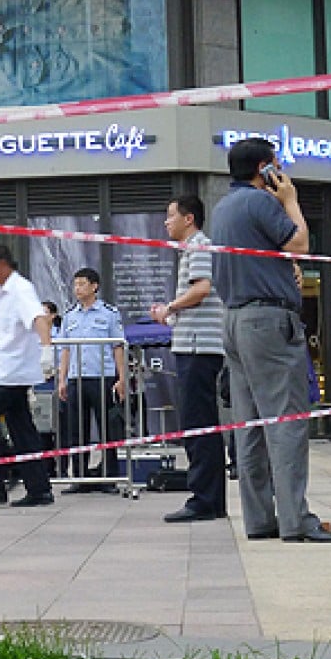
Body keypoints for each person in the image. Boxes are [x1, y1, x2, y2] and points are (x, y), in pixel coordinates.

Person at [212, 137, 331, 543]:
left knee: (250, 424)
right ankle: (295, 520)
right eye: (277, 163)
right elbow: (300, 244)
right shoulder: (262, 203)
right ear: (265, 169)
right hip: (269, 320)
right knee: (286, 422)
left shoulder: (222, 207)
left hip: (234, 320)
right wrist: (290, 199)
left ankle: (260, 519)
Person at [150, 194, 227, 522]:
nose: (166, 222)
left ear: (189, 218)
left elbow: (202, 289)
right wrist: (169, 317)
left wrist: (170, 307)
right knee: (199, 423)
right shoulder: (193, 248)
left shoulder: (198, 246)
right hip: (194, 344)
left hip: (198, 349)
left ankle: (204, 500)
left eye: (170, 216)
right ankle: (209, 498)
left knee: (198, 424)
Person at [0, 245, 56, 507]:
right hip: (3, 367)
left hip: (13, 371)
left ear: (2, 264)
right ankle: (39, 489)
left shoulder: (20, 289)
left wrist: (46, 349)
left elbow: (38, 318)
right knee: (22, 430)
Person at [56, 267, 127, 493]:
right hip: (77, 377)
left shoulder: (108, 313)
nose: (78, 289)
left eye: (82, 284)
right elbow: (65, 349)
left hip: (102, 377)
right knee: (77, 430)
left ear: (94, 286)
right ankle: (80, 477)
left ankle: (109, 477)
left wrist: (122, 377)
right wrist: (62, 379)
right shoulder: (70, 316)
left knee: (107, 428)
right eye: (75, 285)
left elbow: (118, 347)